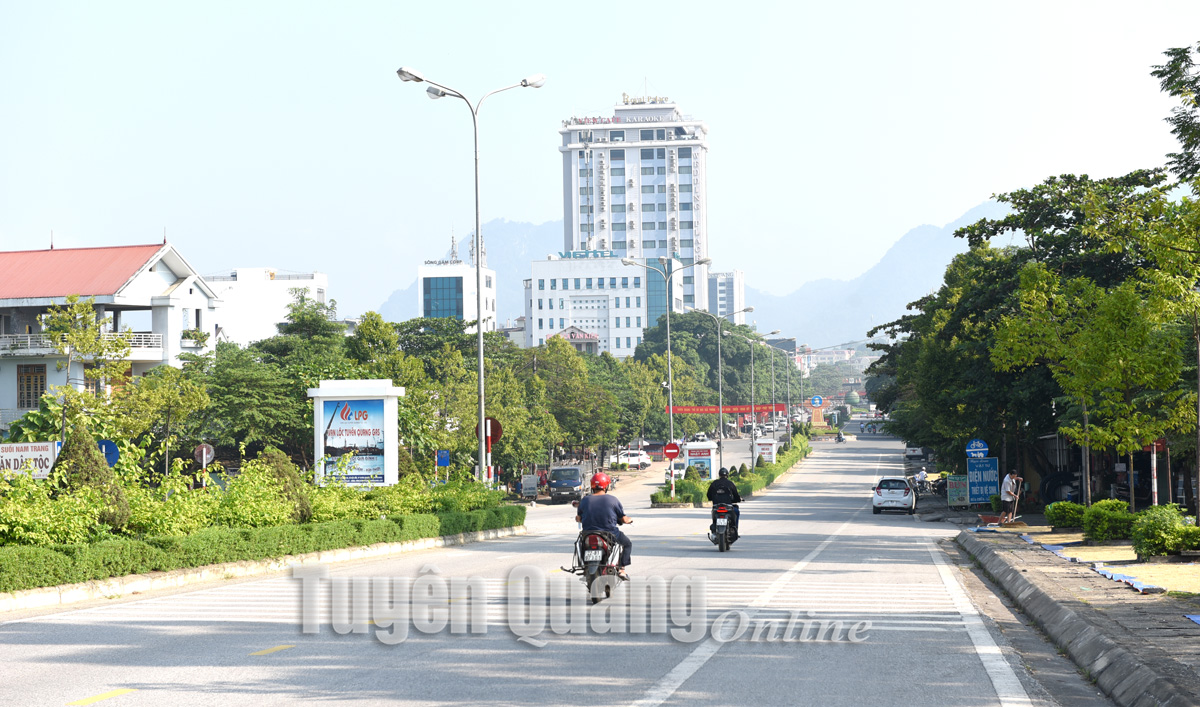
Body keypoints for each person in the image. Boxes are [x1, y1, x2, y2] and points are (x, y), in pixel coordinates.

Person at [575, 472, 632, 578]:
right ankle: (621, 569)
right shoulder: (612, 500)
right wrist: (629, 520)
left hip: (588, 533)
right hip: (609, 534)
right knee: (627, 544)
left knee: (581, 544)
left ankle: (585, 567)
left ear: (592, 486)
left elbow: (578, 518)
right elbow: (623, 518)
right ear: (606, 486)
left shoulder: (585, 500)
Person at [706, 467, 743, 539]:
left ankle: (714, 530)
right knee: (736, 511)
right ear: (727, 475)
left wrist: (712, 498)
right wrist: (738, 499)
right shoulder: (730, 483)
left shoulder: (714, 483)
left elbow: (709, 495)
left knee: (714, 516)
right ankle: (735, 529)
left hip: (716, 506)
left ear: (719, 475)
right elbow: (736, 495)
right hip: (728, 506)